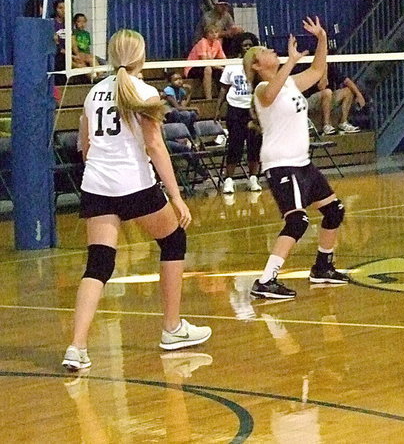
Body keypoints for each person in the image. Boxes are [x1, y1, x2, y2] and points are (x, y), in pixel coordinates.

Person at [62, 29, 211, 372]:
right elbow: (156, 147)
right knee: (174, 239)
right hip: (134, 185)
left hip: (97, 187)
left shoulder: (94, 92)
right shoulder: (144, 92)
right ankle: (172, 328)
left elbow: (84, 146)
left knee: (98, 264)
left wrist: (103, 171)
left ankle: (77, 346)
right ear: (142, 56)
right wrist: (176, 197)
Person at [243, 16, 349, 300]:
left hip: (302, 163)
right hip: (281, 165)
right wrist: (289, 61)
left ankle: (323, 268)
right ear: (256, 65)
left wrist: (322, 38)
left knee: (334, 211)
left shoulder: (289, 83)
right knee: (297, 222)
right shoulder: (261, 90)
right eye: (264, 51)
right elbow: (270, 95)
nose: (270, 51)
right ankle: (265, 280)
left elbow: (317, 69)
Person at [216, 32, 263, 193]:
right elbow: (224, 88)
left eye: (250, 45)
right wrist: (218, 109)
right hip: (235, 109)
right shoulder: (232, 65)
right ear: (239, 47)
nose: (248, 48)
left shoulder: (258, 65)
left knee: (254, 145)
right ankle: (229, 180)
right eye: (245, 45)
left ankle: (253, 178)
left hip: (253, 110)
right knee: (235, 144)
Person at [304, 62, 363, 135]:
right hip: (310, 100)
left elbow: (347, 80)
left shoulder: (331, 68)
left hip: (328, 99)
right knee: (327, 92)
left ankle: (343, 123)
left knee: (347, 91)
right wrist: (324, 73)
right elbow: (322, 86)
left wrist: (358, 94)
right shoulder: (311, 68)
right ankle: (326, 125)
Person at [185, 23, 226, 100]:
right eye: (211, 32)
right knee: (208, 69)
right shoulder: (202, 42)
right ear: (206, 34)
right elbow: (204, 61)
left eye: (216, 32)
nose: (214, 34)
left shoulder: (217, 43)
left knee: (221, 71)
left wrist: (223, 67)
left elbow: (224, 59)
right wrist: (218, 67)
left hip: (209, 66)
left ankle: (222, 97)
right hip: (193, 68)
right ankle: (208, 98)